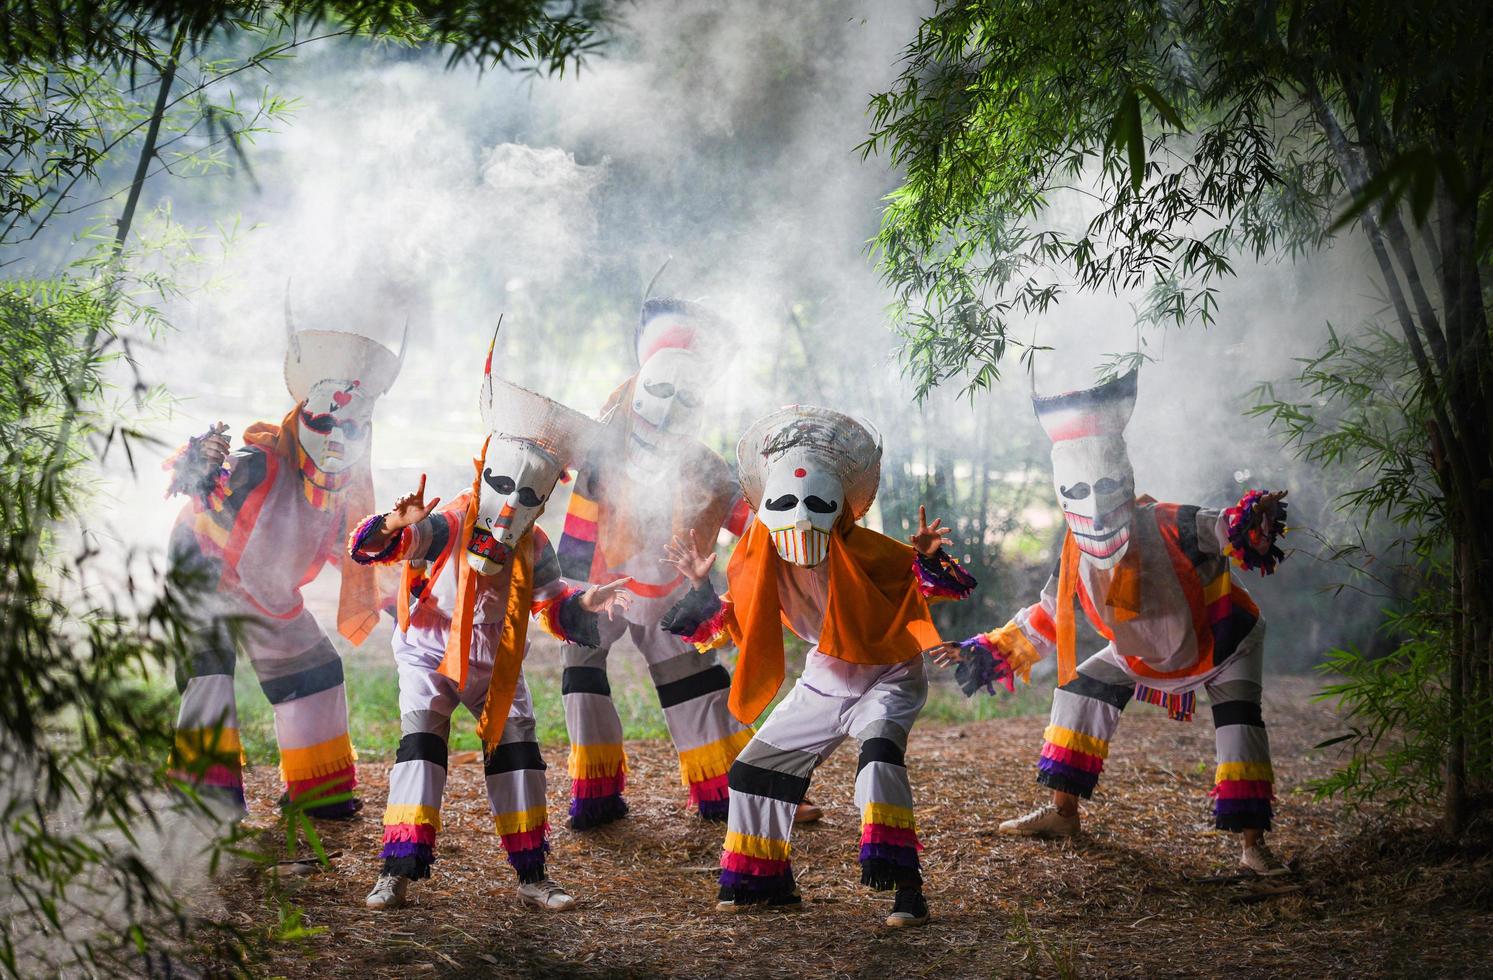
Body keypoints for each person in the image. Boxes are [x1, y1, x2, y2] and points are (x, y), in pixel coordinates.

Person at [927, 369, 1291, 876]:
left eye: (1105, 486)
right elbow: (1047, 617)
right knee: (1077, 693)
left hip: (1223, 640)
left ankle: (1253, 847)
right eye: (1078, 490)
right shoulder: (1075, 555)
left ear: (1126, 479)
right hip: (1139, 650)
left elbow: (1223, 526)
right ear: (1061, 495)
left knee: (1239, 730)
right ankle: (1063, 813)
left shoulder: (1170, 522)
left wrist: (1253, 520)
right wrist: (983, 650)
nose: (1095, 506)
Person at [659, 405, 976, 927]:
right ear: (767, 509)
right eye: (786, 503)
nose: (802, 517)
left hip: (887, 677)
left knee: (877, 764)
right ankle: (768, 882)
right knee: (752, 770)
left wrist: (923, 559)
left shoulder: (873, 552)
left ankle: (908, 891)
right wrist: (699, 586)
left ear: (841, 510)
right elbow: (730, 622)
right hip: (825, 678)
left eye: (817, 504)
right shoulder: (756, 557)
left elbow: (929, 591)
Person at [349, 348, 631, 912]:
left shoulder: (536, 546)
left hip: (495, 663)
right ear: (483, 469)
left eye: (529, 496)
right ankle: (396, 871)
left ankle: (532, 877)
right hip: (428, 656)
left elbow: (554, 605)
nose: (511, 506)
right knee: (421, 750)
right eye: (504, 485)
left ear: (544, 500)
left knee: (519, 753)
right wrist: (390, 524)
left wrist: (587, 600)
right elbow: (380, 548)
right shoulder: (449, 522)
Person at [555, 298, 821, 828]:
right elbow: (532, 471)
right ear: (637, 383)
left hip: (671, 591)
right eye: (660, 390)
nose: (669, 409)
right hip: (595, 581)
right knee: (581, 680)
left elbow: (750, 520)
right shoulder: (596, 445)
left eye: (687, 398)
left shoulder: (705, 466)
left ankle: (726, 791)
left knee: (696, 686)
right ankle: (595, 795)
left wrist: (802, 531)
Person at [165, 315, 405, 819]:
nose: (338, 437)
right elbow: (201, 483)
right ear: (299, 418)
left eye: (353, 427)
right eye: (324, 421)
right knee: (209, 673)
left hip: (268, 587)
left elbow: (360, 556)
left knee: (317, 670)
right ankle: (206, 799)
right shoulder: (259, 460)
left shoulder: (348, 495)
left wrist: (407, 609)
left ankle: (320, 792)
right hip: (204, 569)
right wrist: (202, 461)